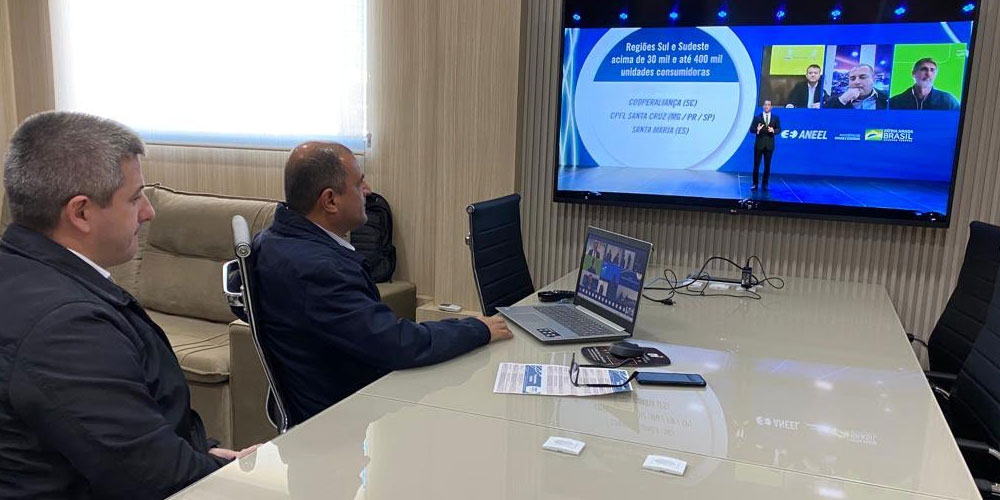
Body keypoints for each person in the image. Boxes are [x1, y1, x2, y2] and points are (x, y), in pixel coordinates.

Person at [0, 111, 252, 499]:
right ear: (81, 212)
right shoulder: (66, 328)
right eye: (135, 198)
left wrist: (200, 454)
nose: (149, 212)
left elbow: (109, 438)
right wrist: (237, 474)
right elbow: (151, 478)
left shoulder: (23, 269)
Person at [250, 141, 512, 426]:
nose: (368, 190)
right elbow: (396, 344)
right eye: (359, 183)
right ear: (330, 201)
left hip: (326, 400)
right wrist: (477, 328)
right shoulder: (320, 271)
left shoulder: (269, 242)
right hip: (341, 417)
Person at [889, 58, 960, 111]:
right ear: (913, 73)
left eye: (932, 70)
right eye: (924, 69)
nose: (928, 74)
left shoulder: (948, 102)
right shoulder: (895, 102)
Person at [749, 99, 781, 190]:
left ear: (771, 107)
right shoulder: (757, 118)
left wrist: (773, 130)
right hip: (759, 145)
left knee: (767, 166)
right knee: (756, 165)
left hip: (769, 145)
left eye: (768, 105)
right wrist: (757, 130)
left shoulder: (775, 118)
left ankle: (765, 184)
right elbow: (751, 129)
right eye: (765, 104)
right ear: (763, 106)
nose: (766, 106)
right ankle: (755, 184)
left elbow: (779, 129)